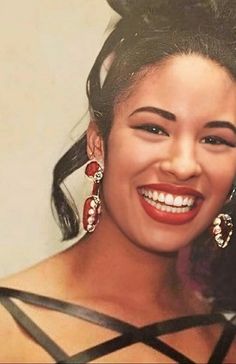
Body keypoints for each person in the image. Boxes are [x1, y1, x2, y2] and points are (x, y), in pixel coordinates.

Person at [0, 0, 236, 362]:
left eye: (215, 139)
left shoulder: (226, 344)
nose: (183, 165)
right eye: (154, 128)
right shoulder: (7, 329)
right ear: (99, 140)